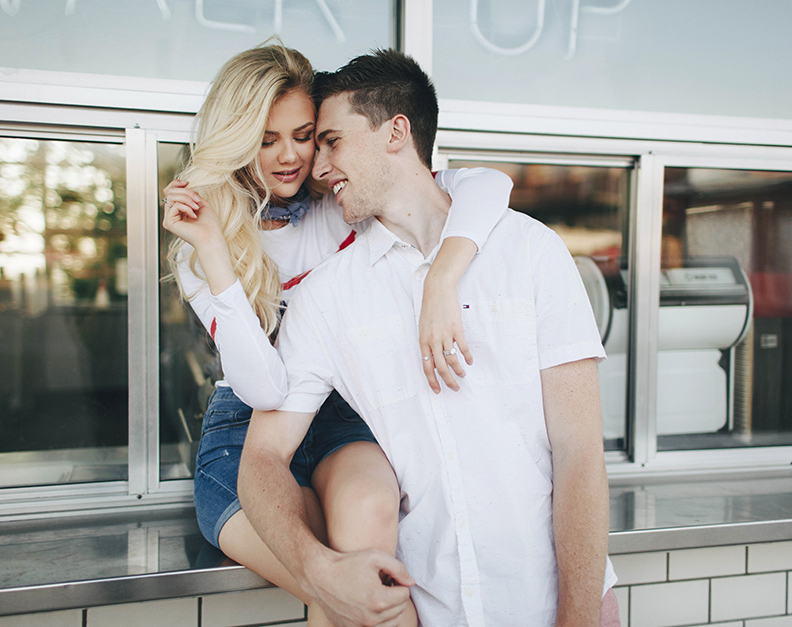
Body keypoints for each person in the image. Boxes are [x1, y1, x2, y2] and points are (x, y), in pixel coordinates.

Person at [238, 49, 619, 627]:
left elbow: (580, 456)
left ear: (396, 132)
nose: (318, 168)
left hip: (559, 606)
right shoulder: (326, 299)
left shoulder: (531, 252)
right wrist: (316, 570)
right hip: (435, 608)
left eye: (332, 142)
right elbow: (261, 459)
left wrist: (578, 619)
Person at [162, 43, 513, 626]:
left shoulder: (343, 204)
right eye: (266, 139)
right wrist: (217, 252)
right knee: (341, 593)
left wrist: (442, 278)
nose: (290, 156)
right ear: (238, 138)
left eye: (304, 136)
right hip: (244, 434)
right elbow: (266, 390)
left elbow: (485, 185)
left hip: (342, 416)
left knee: (370, 538)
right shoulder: (203, 246)